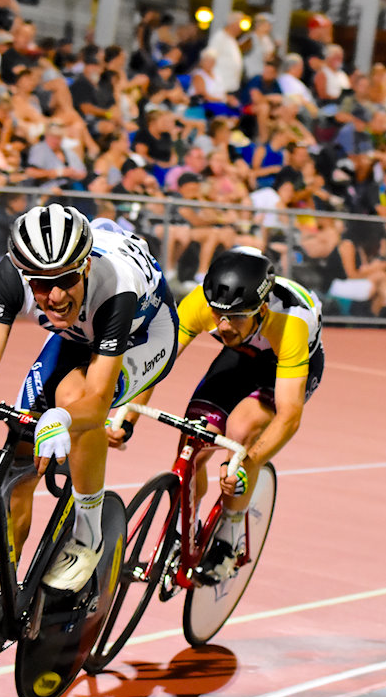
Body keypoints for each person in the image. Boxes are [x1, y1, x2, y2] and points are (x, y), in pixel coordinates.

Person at [0, 204, 179, 666]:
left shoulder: (116, 284)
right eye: (40, 284)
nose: (52, 296)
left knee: (73, 399)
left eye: (64, 281)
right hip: (77, 334)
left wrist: (65, 420)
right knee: (19, 449)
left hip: (144, 336)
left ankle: (89, 535)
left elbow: (94, 400)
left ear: (86, 265)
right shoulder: (13, 277)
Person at [113, 247, 324, 584]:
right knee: (194, 434)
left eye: (235, 317)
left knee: (240, 432)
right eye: (217, 315)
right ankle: (185, 529)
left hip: (281, 363)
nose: (223, 326)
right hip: (241, 355)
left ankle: (230, 535)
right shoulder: (199, 303)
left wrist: (249, 463)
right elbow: (156, 365)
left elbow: (289, 417)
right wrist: (125, 418)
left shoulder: (291, 323)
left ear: (261, 309)